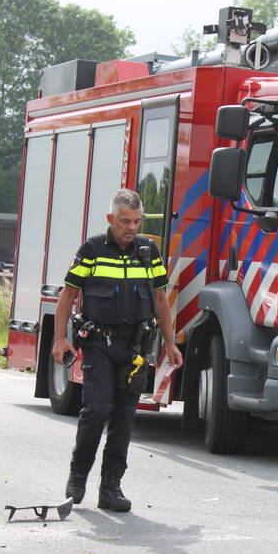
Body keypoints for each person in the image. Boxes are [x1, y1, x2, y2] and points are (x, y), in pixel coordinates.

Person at [51, 189, 182, 512]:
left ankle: (111, 488)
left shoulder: (148, 252)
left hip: (135, 348)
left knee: (124, 418)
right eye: (125, 221)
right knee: (96, 410)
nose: (132, 227)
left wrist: (170, 342)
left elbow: (161, 300)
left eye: (137, 221)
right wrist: (59, 339)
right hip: (99, 344)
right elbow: (68, 295)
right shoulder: (92, 249)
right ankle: (77, 477)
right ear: (111, 219)